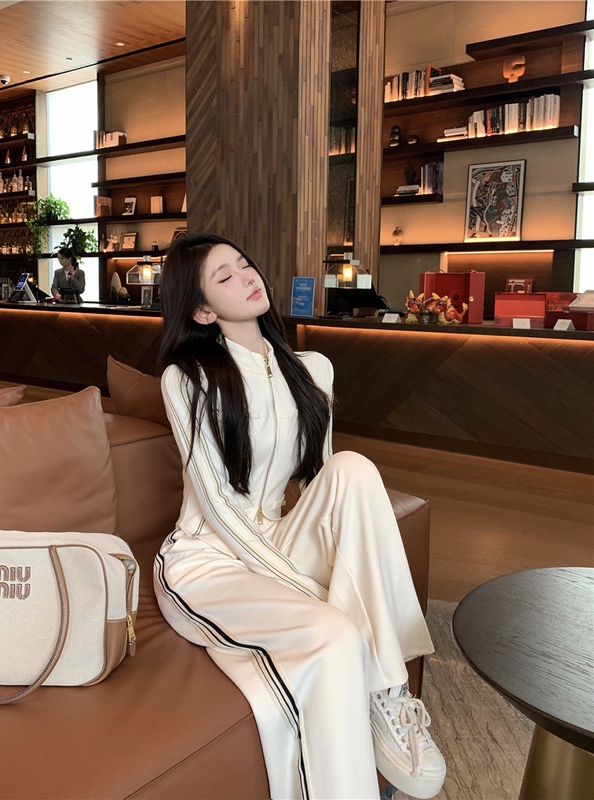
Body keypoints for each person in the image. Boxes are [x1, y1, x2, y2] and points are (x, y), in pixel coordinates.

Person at [154, 232, 446, 800]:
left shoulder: (313, 369)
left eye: (245, 264)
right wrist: (321, 594)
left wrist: (323, 571)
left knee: (353, 468)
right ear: (202, 310)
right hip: (205, 561)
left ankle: (388, 695)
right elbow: (219, 509)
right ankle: (378, 697)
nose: (247, 276)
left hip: (275, 537)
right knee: (336, 635)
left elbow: (320, 480)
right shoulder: (188, 379)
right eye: (225, 277)